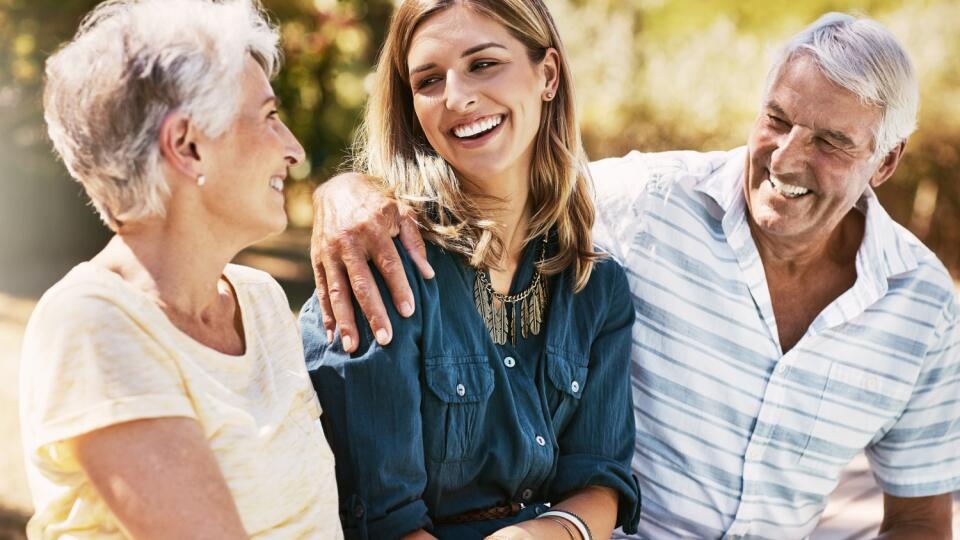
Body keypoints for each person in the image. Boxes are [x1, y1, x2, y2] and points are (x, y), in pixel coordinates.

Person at [309, 12, 959, 539]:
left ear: (885, 160)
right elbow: (496, 179)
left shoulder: (925, 311)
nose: (787, 158)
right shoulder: (648, 201)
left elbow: (920, 522)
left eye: (830, 142)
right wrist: (344, 190)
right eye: (777, 120)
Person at [298, 1, 641, 539]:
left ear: (547, 74)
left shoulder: (595, 285)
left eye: (483, 64)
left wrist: (544, 534)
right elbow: (379, 520)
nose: (457, 98)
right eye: (429, 80)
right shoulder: (382, 262)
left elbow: (602, 477)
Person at [18, 1, 342, 538]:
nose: (293, 148)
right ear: (188, 146)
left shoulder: (259, 300)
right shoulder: (92, 323)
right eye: (268, 117)